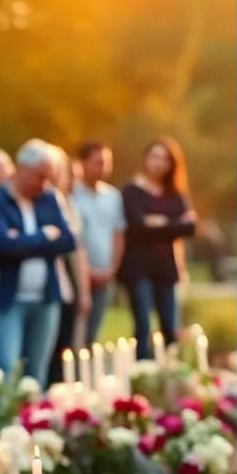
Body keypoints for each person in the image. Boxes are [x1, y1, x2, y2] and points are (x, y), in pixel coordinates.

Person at [0, 139, 77, 387]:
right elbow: (2, 245)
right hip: (8, 299)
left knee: (37, 371)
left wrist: (21, 240)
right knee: (7, 368)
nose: (42, 184)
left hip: (45, 299)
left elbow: (67, 240)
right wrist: (45, 236)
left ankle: (35, 421)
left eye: (48, 178)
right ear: (21, 168)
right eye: (39, 176)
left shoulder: (49, 198)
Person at [118, 136, 198, 359]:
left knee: (170, 327)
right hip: (139, 268)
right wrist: (174, 223)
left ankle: (170, 375)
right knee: (143, 324)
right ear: (146, 159)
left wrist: (159, 222)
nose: (159, 163)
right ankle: (141, 373)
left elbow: (190, 227)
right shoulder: (131, 190)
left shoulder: (175, 192)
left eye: (165, 159)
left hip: (166, 268)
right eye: (155, 157)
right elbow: (138, 225)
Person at [46, 149, 92, 387]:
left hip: (70, 282)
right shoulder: (46, 201)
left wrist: (83, 290)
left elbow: (78, 249)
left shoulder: (72, 207)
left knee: (67, 341)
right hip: (51, 281)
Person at [71, 141, 124, 344]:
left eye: (107, 163)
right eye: (98, 162)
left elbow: (118, 234)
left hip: (105, 273)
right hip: (79, 274)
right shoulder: (71, 195)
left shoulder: (113, 196)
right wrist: (86, 272)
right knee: (76, 333)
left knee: (93, 332)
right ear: (83, 163)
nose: (104, 168)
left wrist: (112, 268)